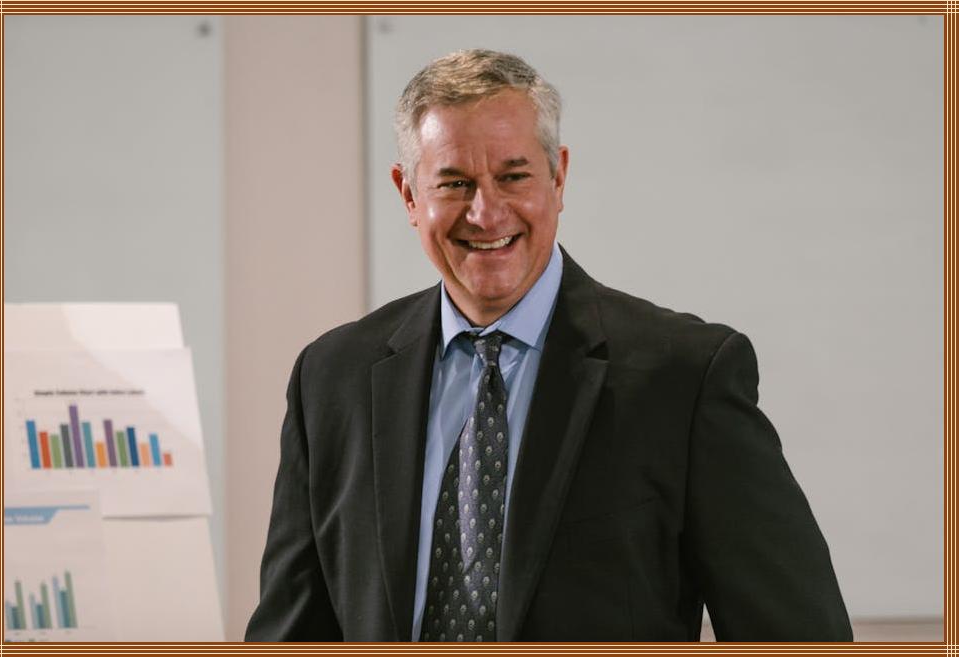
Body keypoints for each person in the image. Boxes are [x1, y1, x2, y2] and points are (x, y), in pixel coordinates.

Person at [245, 49, 852, 642]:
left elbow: (799, 634)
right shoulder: (332, 379)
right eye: (454, 183)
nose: (486, 213)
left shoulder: (685, 377)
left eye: (513, 177)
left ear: (558, 178)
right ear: (408, 194)